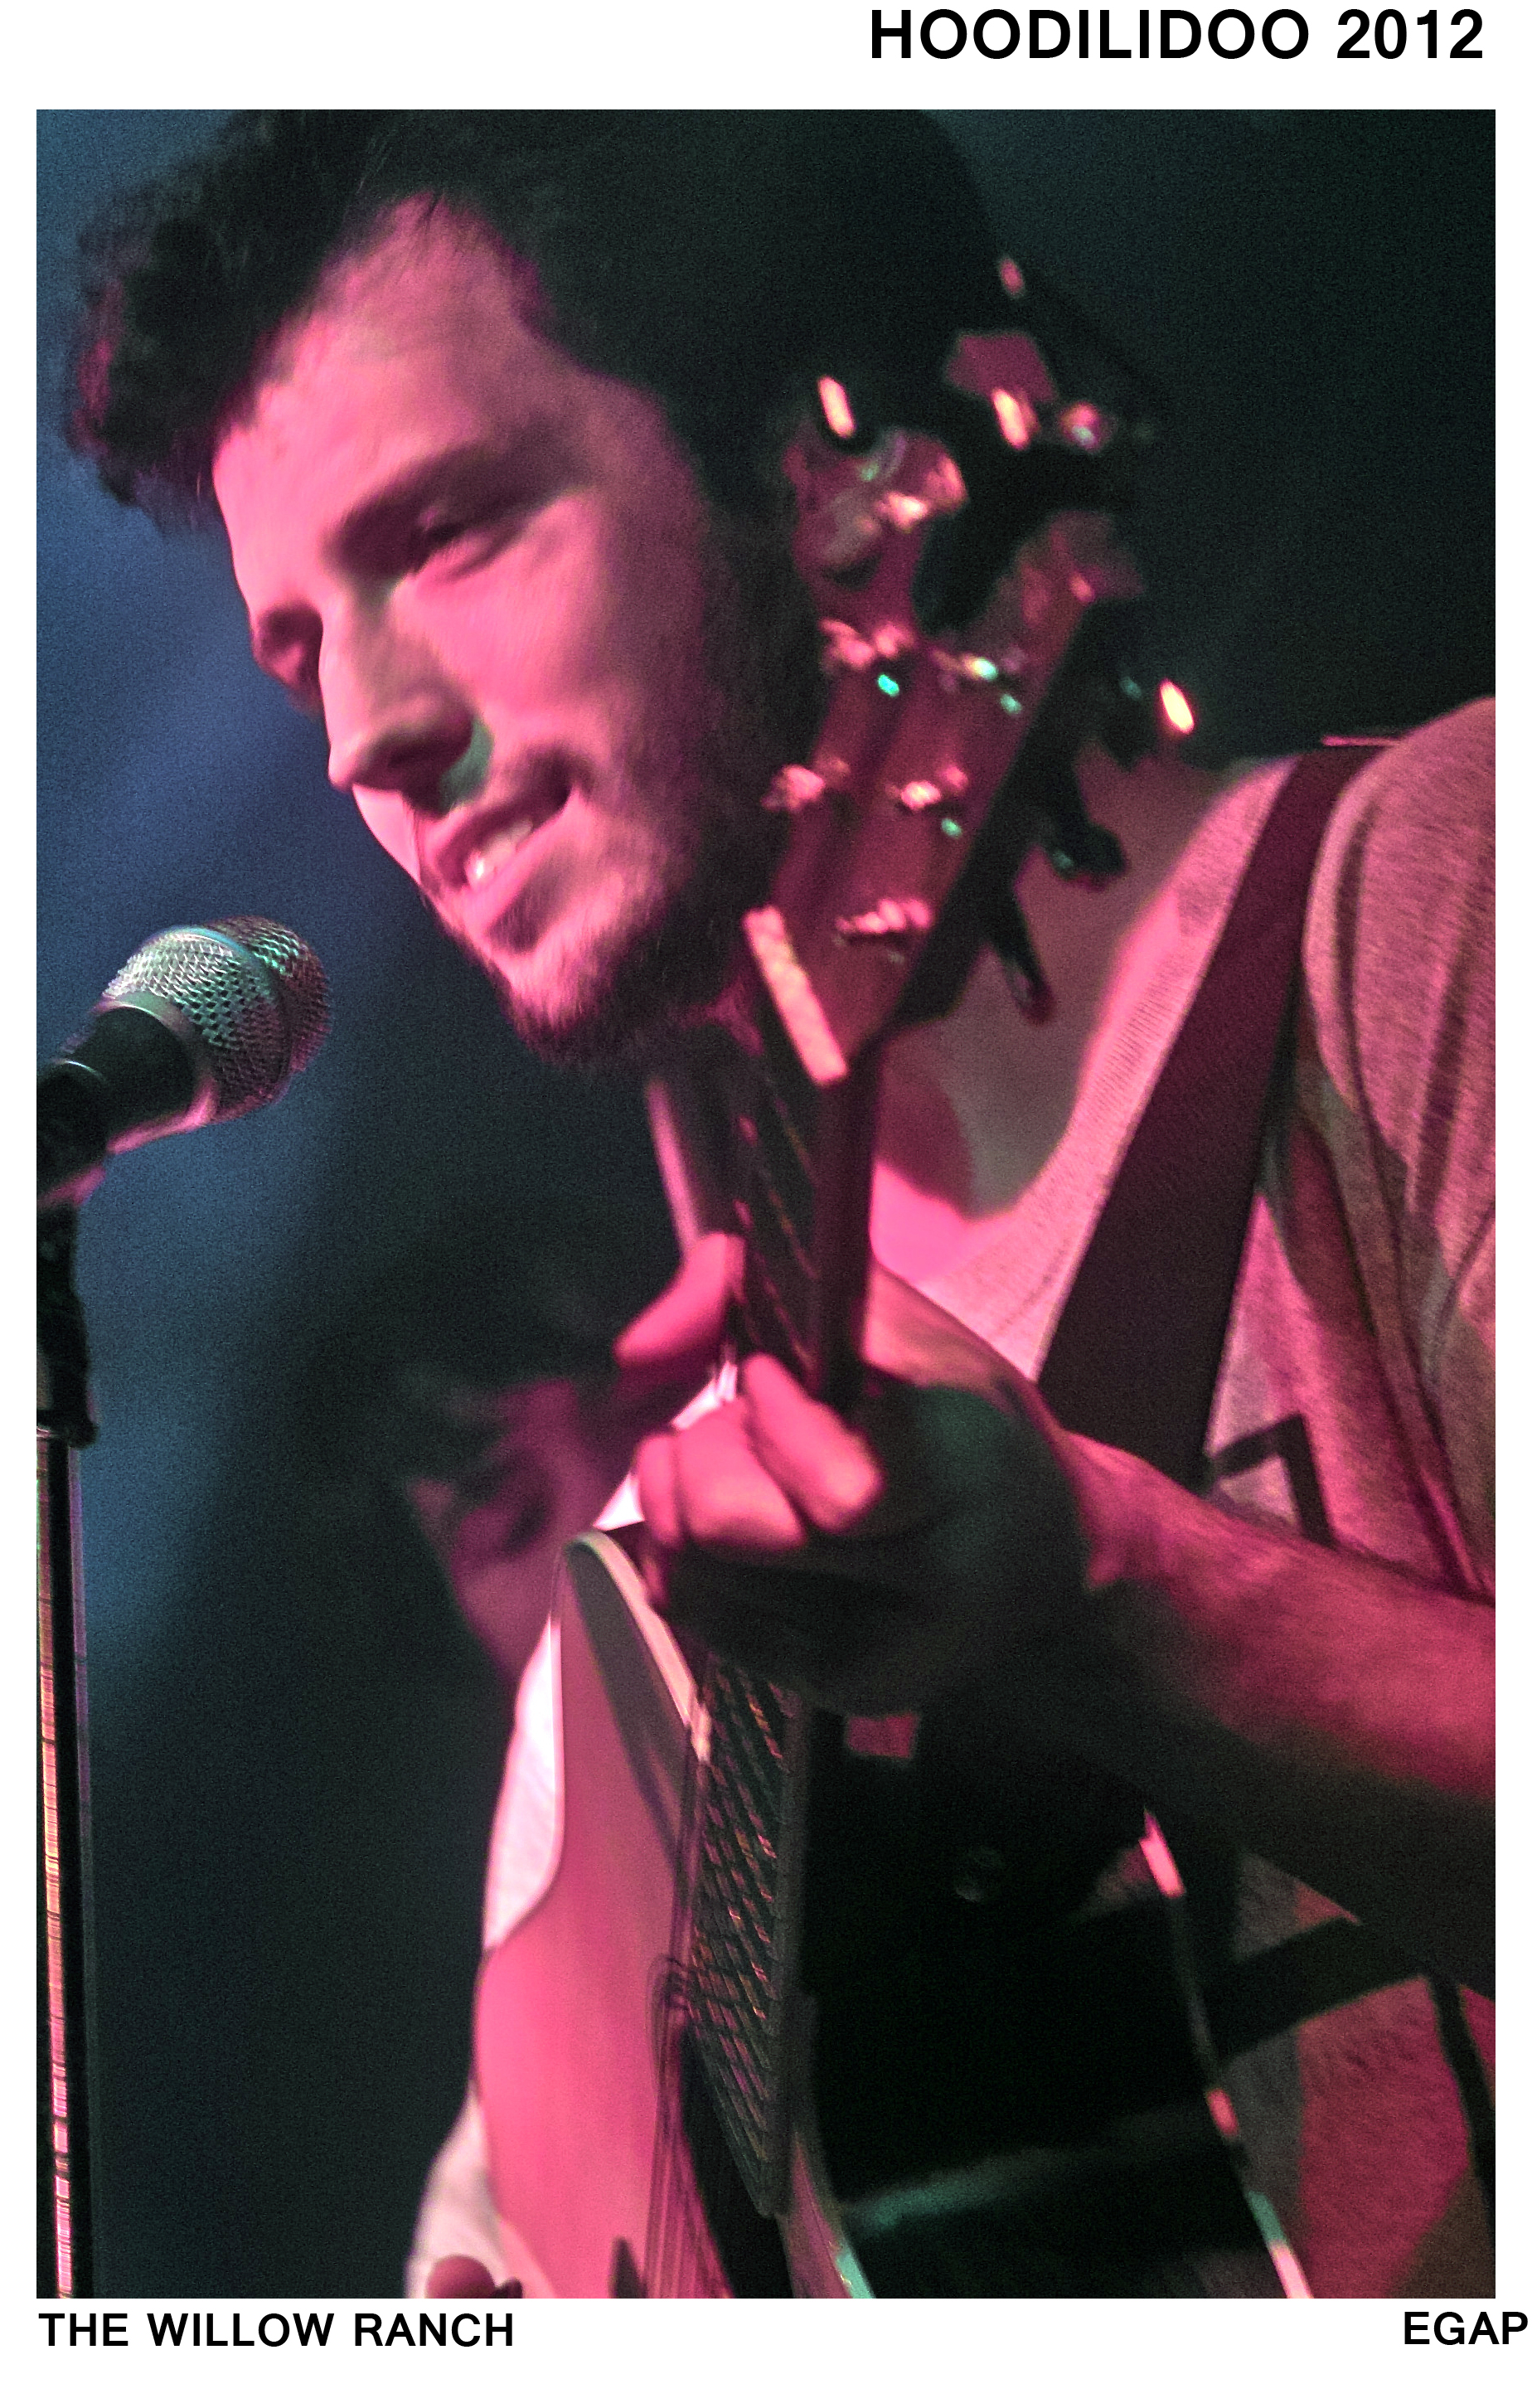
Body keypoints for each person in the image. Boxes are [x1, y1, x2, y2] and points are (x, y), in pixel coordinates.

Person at [70, 110, 1492, 2299]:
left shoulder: (1437, 894)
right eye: (295, 648)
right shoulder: (658, 1605)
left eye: (444, 532)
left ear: (838, 484)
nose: (356, 734)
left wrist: (1117, 1587)